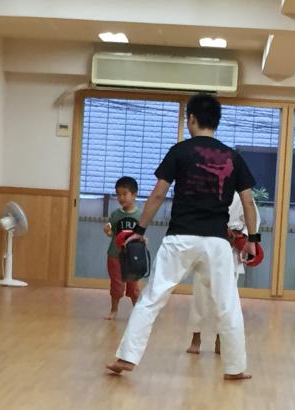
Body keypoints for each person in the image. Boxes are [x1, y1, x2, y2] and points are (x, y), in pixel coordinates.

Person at [105, 93, 259, 381]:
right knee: (228, 304)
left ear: (191, 119)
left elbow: (158, 194)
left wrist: (139, 231)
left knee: (151, 298)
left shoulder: (179, 151)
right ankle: (236, 368)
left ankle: (126, 357)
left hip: (180, 239)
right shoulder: (233, 157)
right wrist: (254, 238)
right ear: (216, 121)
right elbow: (248, 202)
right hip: (217, 243)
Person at [186, 191, 260, 355]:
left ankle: (221, 339)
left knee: (226, 299)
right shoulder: (204, 190)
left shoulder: (241, 195)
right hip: (206, 244)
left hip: (231, 249)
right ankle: (196, 337)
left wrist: (244, 237)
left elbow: (253, 218)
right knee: (200, 294)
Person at [103, 176, 142, 320]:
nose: (121, 198)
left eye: (125, 194)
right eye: (118, 194)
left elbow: (141, 235)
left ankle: (138, 313)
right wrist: (107, 231)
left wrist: (143, 240)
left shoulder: (140, 215)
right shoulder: (115, 214)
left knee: (134, 286)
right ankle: (114, 310)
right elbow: (111, 233)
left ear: (134, 194)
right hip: (115, 255)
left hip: (133, 257)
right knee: (116, 285)